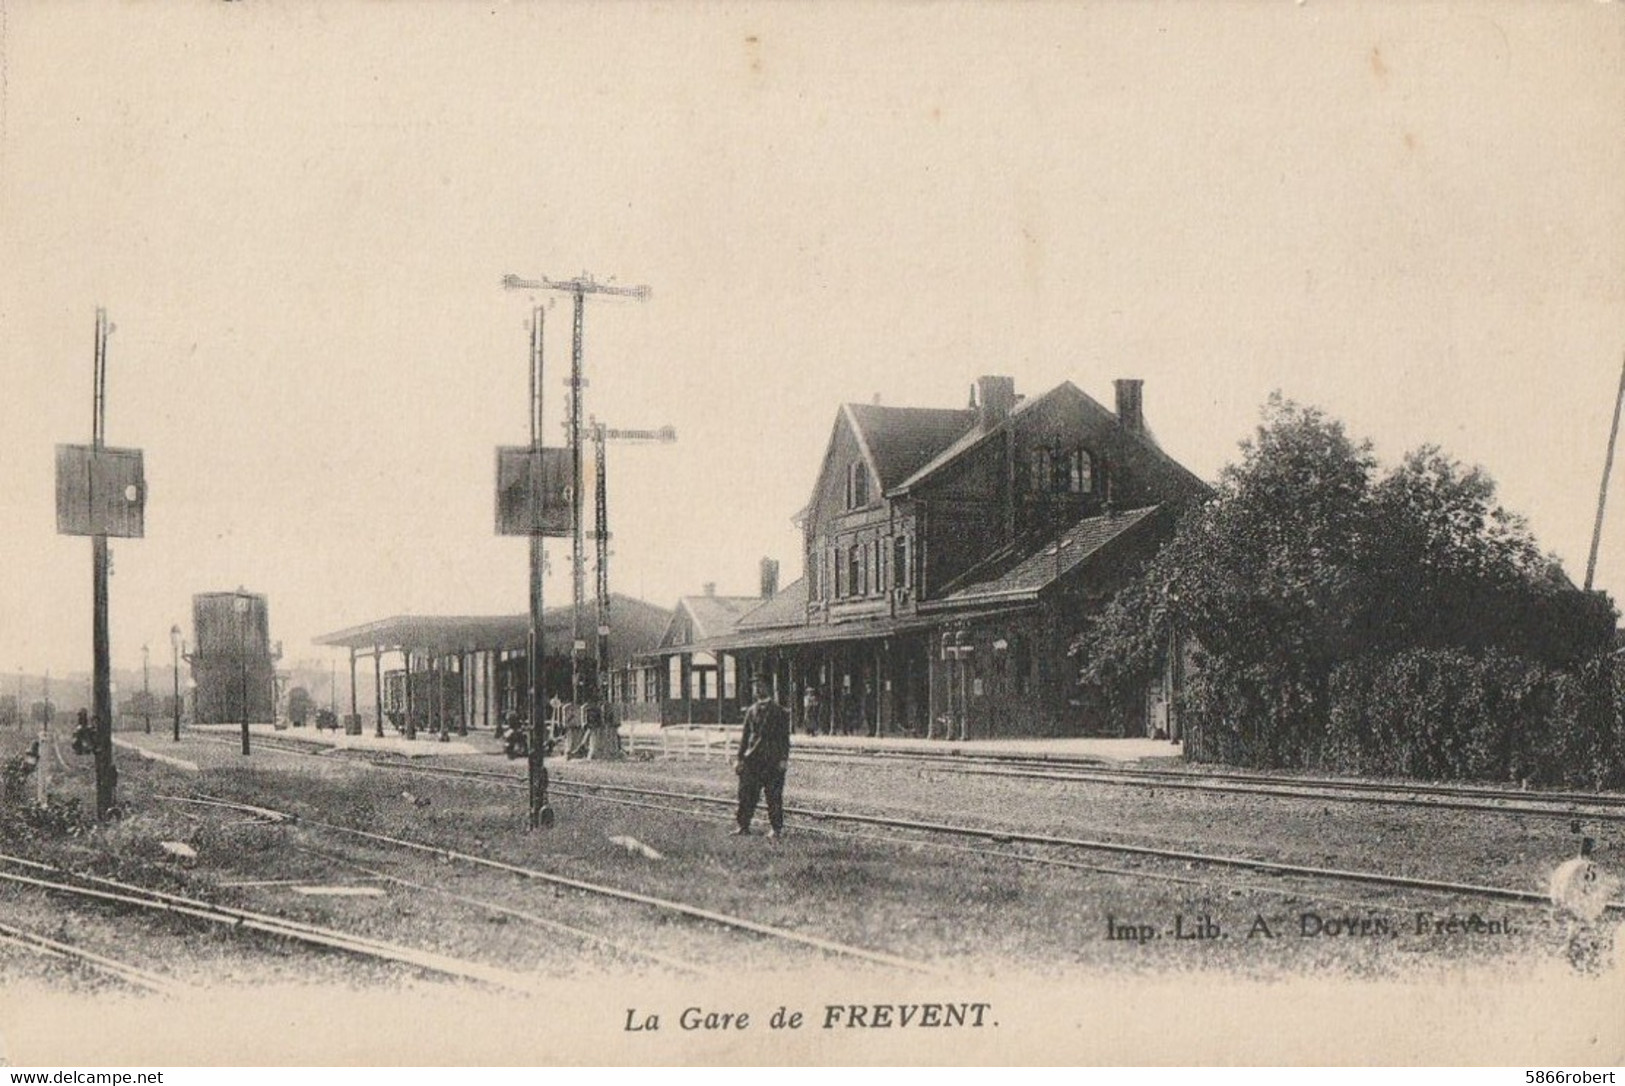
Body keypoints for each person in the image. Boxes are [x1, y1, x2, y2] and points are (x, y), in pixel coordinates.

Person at [732, 677, 790, 838]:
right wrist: (739, 758)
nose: (757, 690)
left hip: (772, 759)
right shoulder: (751, 711)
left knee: (773, 796)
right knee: (746, 794)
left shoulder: (779, 712)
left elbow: (784, 739)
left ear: (768, 688)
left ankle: (776, 829)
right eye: (755, 687)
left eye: (760, 686)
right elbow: (745, 737)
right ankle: (743, 826)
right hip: (752, 760)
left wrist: (784, 759)